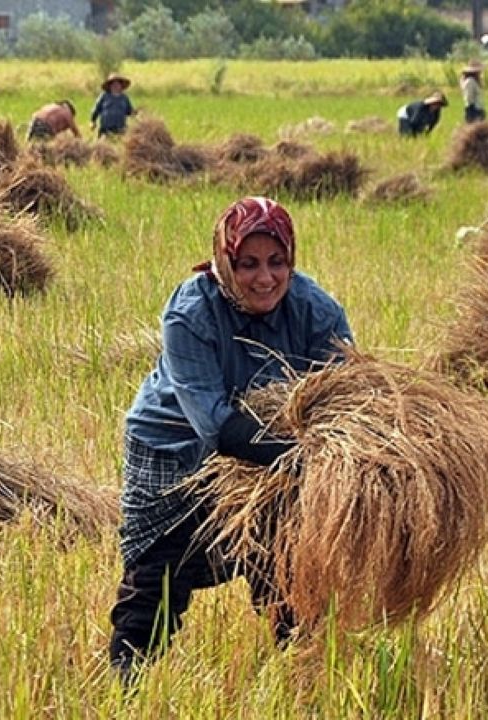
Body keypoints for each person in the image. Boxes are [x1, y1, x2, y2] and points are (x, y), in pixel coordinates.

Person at [108, 196, 353, 685]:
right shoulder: (191, 313)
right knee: (160, 573)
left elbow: (347, 394)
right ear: (224, 262)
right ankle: (124, 684)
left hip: (275, 451)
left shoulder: (314, 310)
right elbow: (214, 423)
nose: (265, 279)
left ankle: (298, 674)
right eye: (248, 264)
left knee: (286, 558)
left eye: (276, 262)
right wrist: (304, 459)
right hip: (175, 448)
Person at [91, 73, 136, 138]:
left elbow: (130, 111)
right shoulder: (104, 96)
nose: (115, 86)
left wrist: (138, 114)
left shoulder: (124, 98)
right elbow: (96, 109)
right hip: (105, 130)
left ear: (121, 86)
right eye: (113, 84)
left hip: (120, 130)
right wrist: (92, 121)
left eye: (117, 84)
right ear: (110, 86)